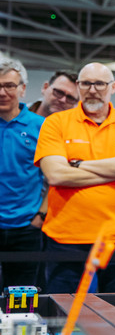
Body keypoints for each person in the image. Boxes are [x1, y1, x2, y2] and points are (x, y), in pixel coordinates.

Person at [35, 62, 115, 293]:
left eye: (100, 83)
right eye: (86, 83)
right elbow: (56, 175)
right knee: (62, 311)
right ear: (78, 86)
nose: (93, 89)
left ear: (113, 87)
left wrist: (76, 165)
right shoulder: (55, 123)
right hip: (65, 236)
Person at [0, 59, 46, 289]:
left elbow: (54, 178)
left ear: (22, 89)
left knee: (22, 301)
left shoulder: (41, 127)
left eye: (9, 85)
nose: (2, 92)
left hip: (26, 230)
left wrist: (40, 217)